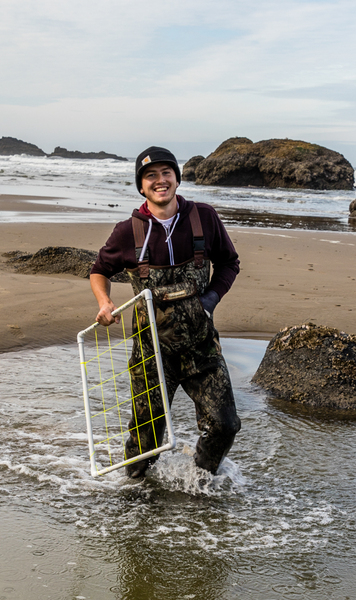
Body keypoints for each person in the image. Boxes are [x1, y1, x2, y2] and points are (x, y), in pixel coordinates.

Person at [90, 146, 241, 479]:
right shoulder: (128, 231)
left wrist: (210, 299)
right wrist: (105, 302)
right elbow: (99, 270)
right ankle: (134, 498)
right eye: (151, 176)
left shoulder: (203, 217)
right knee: (145, 440)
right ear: (141, 187)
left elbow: (229, 263)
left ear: (177, 178)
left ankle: (200, 483)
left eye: (166, 173)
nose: (160, 181)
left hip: (201, 346)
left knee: (225, 425)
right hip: (151, 352)